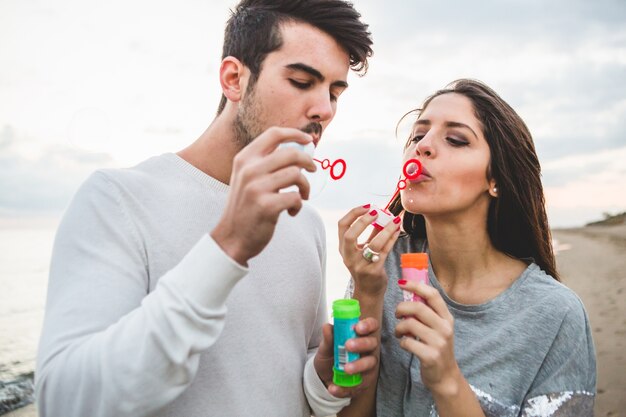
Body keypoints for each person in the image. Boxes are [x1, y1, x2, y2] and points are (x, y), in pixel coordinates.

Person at [35, 1, 378, 416]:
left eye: (334, 92)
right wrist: (228, 245)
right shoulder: (117, 200)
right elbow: (67, 402)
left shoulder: (305, 221)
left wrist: (321, 378)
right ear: (234, 79)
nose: (324, 108)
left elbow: (291, 378)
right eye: (303, 81)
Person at [337, 79, 596, 416]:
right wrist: (367, 292)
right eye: (417, 136)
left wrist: (446, 380)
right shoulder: (380, 266)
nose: (423, 146)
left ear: (497, 179)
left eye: (456, 139)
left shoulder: (556, 315)